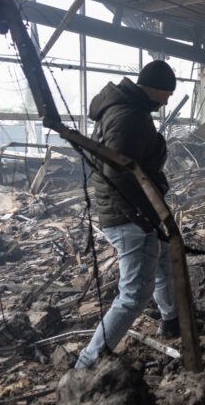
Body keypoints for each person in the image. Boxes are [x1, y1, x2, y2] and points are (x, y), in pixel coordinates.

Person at [75, 60, 179, 369]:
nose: (167, 101)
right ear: (156, 88)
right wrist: (148, 217)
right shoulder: (130, 116)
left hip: (133, 211)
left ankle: (171, 319)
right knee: (134, 295)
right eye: (167, 94)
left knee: (161, 260)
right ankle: (87, 363)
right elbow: (118, 175)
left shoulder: (127, 109)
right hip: (130, 217)